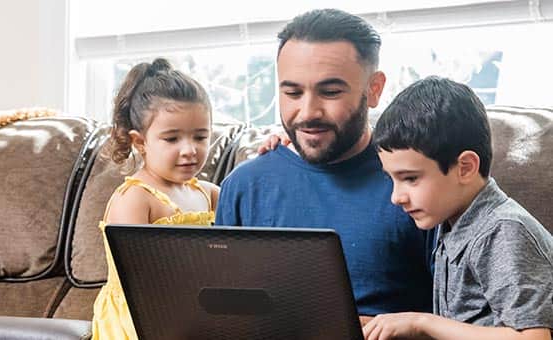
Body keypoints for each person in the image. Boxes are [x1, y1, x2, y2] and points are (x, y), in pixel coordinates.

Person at [216, 8, 435, 322]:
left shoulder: (420, 184)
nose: (308, 112)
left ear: (374, 89)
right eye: (292, 92)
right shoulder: (243, 186)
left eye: (330, 92)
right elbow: (224, 315)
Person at [361, 77, 553, 340]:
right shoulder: (452, 222)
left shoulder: (503, 231)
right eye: (391, 179)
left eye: (410, 178)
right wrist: (383, 324)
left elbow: (533, 339)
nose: (396, 197)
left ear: (465, 168)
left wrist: (421, 322)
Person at [91, 58, 220, 340]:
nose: (190, 150)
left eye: (200, 136)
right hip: (143, 318)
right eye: (172, 139)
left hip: (195, 311)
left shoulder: (209, 194)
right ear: (140, 142)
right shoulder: (136, 199)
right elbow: (142, 284)